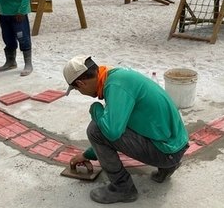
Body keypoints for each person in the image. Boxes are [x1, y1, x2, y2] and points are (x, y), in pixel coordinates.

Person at [64, 55, 189, 204]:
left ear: (80, 83)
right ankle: (167, 167)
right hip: (176, 146)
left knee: (95, 129)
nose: (81, 93)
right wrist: (86, 155)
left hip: (166, 152)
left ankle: (122, 188)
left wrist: (96, 109)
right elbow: (118, 126)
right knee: (112, 121)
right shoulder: (118, 77)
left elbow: (111, 132)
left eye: (77, 90)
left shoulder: (115, 86)